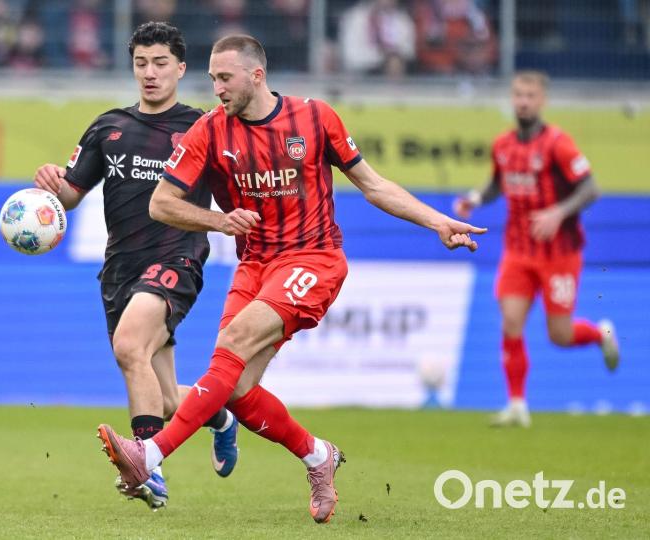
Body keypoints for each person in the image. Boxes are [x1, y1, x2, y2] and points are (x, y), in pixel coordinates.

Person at [96, 34, 485, 523]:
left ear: (256, 76)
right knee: (235, 390)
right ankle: (317, 454)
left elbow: (373, 184)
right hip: (255, 265)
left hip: (313, 258)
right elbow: (161, 203)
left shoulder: (315, 117)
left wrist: (438, 221)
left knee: (233, 343)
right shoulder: (210, 132)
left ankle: (150, 456)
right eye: (212, 78)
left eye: (225, 78)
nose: (215, 88)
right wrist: (220, 221)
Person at [32, 22, 240, 510]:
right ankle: (220, 416)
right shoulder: (108, 127)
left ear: (181, 69)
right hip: (120, 271)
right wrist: (50, 185)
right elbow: (71, 195)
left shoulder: (204, 126)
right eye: (141, 63)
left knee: (129, 347)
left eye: (160, 63)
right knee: (165, 397)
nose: (150, 73)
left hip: (177, 259)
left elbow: (238, 185)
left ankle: (148, 468)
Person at [453, 71, 620, 428]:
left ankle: (601, 333)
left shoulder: (559, 144)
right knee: (511, 321)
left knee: (559, 335)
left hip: (559, 253)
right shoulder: (502, 145)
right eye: (518, 94)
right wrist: (474, 199)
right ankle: (516, 404)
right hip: (517, 251)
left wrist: (558, 212)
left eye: (530, 95)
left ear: (541, 100)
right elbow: (498, 184)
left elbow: (591, 189)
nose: (523, 101)